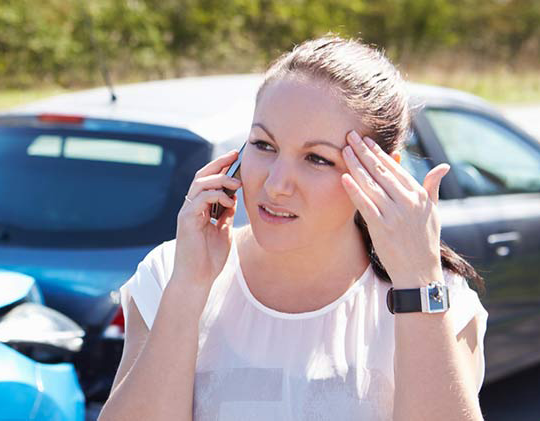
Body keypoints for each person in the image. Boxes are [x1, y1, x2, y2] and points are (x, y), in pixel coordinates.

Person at [99, 35, 488, 421]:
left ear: (380, 172)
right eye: (264, 145)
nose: (275, 184)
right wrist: (188, 286)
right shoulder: (170, 273)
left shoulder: (438, 297)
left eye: (317, 159)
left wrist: (418, 283)